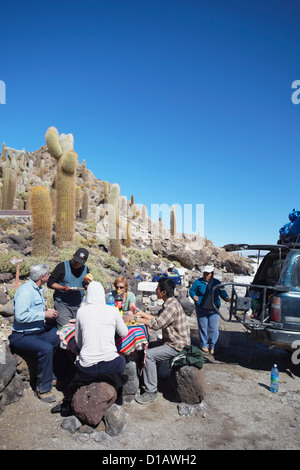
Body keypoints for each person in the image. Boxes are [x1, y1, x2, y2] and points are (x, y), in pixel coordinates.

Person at [135, 277, 191, 404]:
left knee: (149, 355)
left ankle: (151, 391)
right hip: (170, 341)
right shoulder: (170, 303)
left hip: (177, 346)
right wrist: (140, 313)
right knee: (145, 346)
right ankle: (145, 378)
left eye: (157, 289)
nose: (156, 291)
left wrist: (136, 319)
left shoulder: (171, 306)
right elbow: (157, 318)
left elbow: (156, 324)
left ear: (163, 292)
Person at [9, 264, 60, 403]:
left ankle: (52, 376)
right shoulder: (26, 292)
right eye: (48, 274)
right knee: (46, 348)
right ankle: (43, 389)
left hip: (38, 331)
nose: (49, 276)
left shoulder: (36, 289)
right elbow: (20, 316)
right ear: (42, 277)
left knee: (59, 337)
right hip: (22, 335)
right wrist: (44, 314)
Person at [75, 281, 128, 377]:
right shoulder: (112, 310)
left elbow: (78, 341)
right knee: (122, 361)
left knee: (77, 359)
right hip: (110, 363)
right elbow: (124, 333)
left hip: (86, 366)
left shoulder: (81, 311)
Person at [189, 265, 231, 355]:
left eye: (208, 274)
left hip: (214, 310)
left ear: (212, 274)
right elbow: (192, 290)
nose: (206, 275)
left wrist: (227, 298)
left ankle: (213, 346)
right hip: (201, 309)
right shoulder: (198, 282)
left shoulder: (217, 283)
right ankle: (204, 344)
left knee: (213, 328)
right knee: (203, 327)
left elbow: (222, 292)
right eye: (205, 273)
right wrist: (194, 296)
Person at [47, 248, 90, 328]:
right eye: (76, 260)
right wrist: (62, 288)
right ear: (73, 256)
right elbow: (50, 283)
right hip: (63, 304)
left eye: (80, 262)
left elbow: (85, 284)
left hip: (78, 305)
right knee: (66, 330)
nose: (77, 263)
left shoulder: (85, 269)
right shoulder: (62, 267)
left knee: (78, 330)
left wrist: (88, 285)